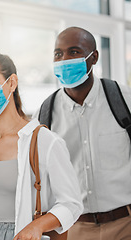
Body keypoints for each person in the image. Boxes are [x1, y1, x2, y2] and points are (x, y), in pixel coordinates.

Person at [0, 52, 83, 240]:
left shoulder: (46, 142)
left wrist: (37, 226)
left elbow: (72, 204)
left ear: (11, 83)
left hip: (21, 235)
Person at [34, 26, 131, 240]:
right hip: (76, 229)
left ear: (93, 57)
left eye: (74, 52)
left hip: (126, 224)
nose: (64, 59)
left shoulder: (124, 100)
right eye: (58, 54)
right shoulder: (45, 114)